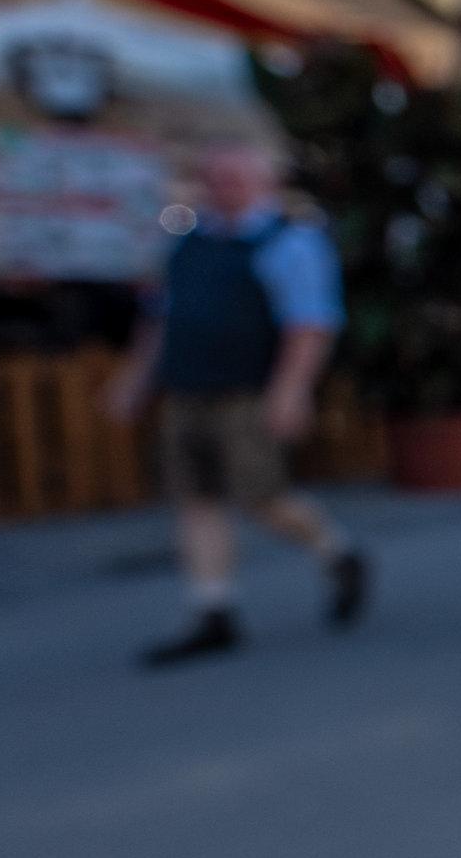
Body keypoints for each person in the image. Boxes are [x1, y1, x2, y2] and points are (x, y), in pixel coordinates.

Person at [110, 138, 368, 665]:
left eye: (235, 178)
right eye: (214, 178)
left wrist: (291, 390)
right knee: (195, 497)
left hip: (247, 390)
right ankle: (213, 610)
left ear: (263, 182)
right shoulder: (186, 239)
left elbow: (310, 325)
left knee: (261, 497)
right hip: (188, 388)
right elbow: (162, 318)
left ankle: (337, 551)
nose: (222, 188)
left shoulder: (287, 241)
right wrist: (137, 378)